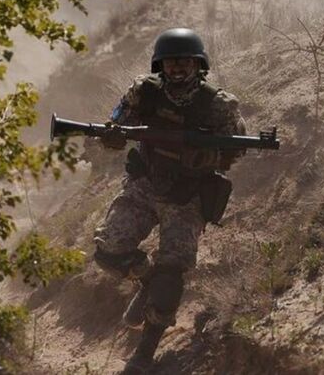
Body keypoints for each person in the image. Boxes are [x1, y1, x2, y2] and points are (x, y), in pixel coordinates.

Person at [91, 28, 246, 374]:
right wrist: (112, 133)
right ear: (161, 66)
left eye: (184, 62)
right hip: (145, 183)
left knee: (171, 277)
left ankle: (143, 354)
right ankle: (145, 280)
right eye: (171, 63)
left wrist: (209, 149)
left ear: (198, 65)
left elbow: (237, 146)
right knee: (109, 250)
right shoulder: (144, 93)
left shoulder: (217, 104)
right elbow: (117, 120)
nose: (177, 69)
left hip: (187, 195)